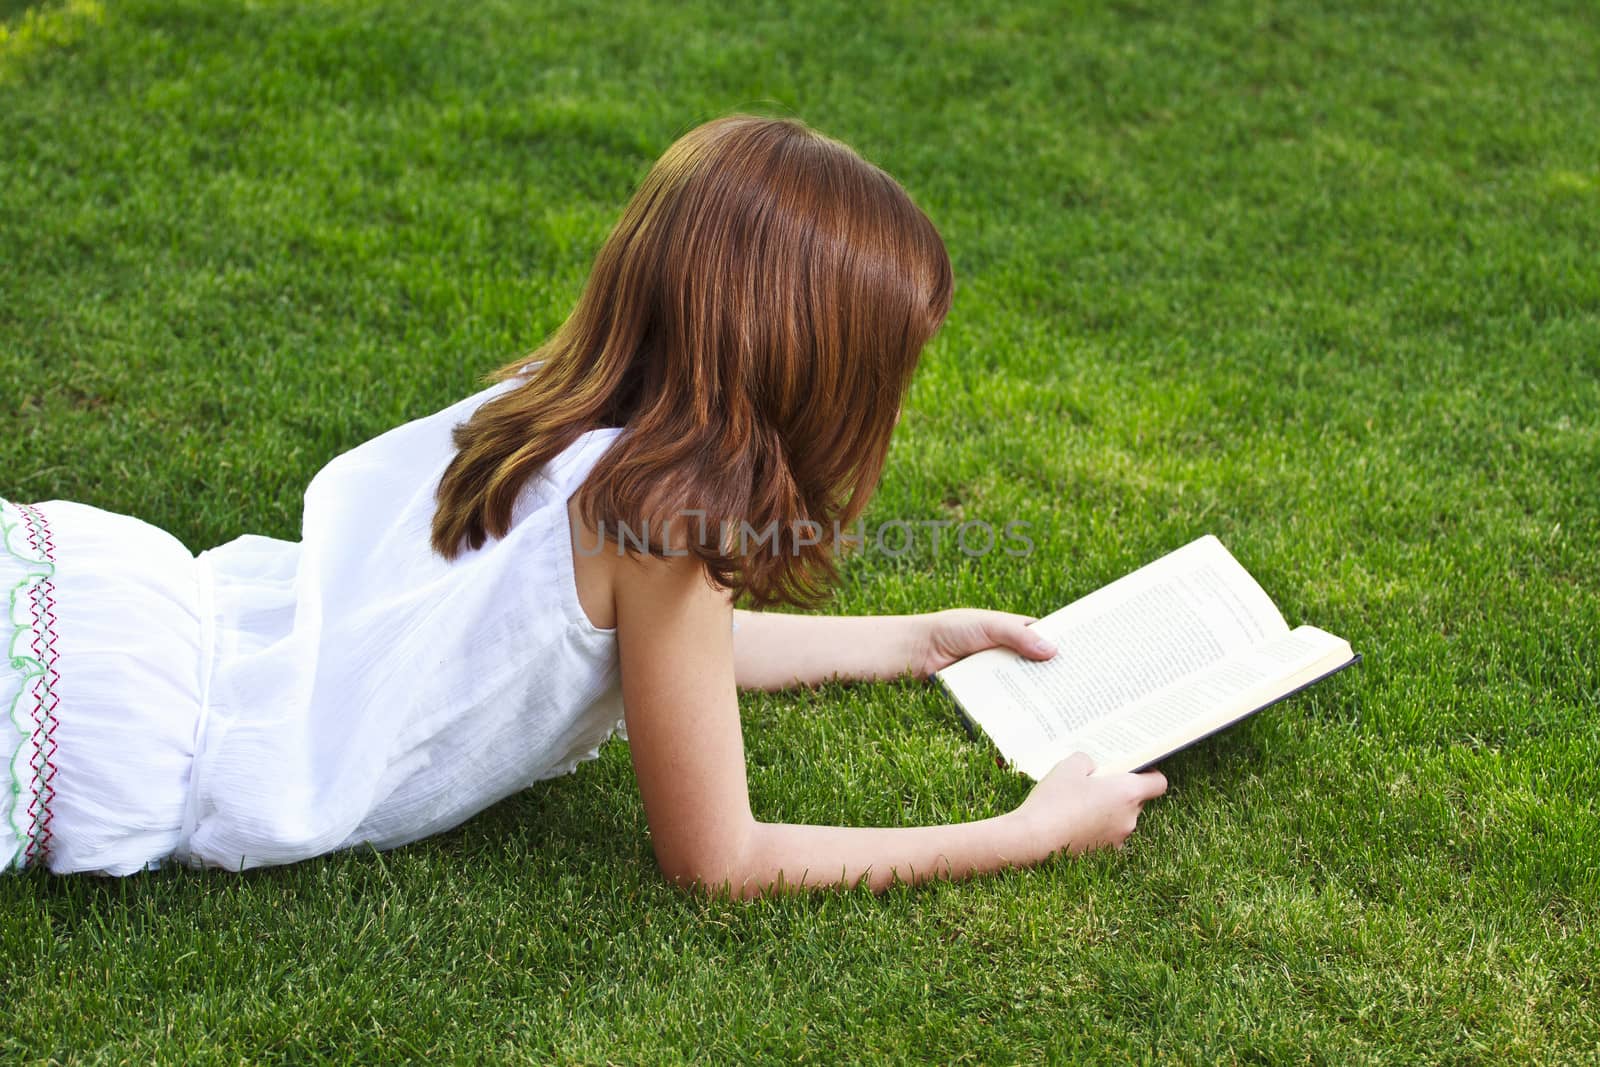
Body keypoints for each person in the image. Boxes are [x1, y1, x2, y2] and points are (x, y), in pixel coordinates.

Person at [2, 115, 1166, 894]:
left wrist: (914, 640)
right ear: (816, 373)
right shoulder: (659, 531)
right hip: (130, 733)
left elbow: (664, 654)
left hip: (118, 614)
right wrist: (1026, 834)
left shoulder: (567, 415)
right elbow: (721, 853)